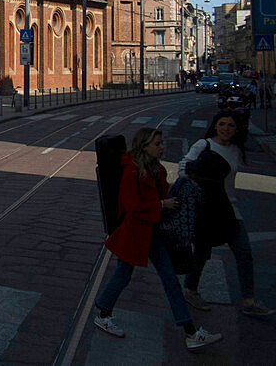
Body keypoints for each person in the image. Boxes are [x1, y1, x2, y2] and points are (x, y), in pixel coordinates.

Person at [93, 127, 222, 351]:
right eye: (157, 144)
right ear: (144, 146)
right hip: (134, 234)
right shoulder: (131, 171)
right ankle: (103, 313)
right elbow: (132, 205)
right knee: (123, 276)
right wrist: (162, 205)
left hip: (152, 232)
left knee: (170, 280)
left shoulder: (157, 169)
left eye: (161, 143)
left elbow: (161, 194)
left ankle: (190, 332)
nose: (162, 147)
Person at [178, 111, 273, 317]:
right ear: (215, 126)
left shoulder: (236, 150)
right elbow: (183, 168)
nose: (226, 129)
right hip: (206, 209)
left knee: (244, 253)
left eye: (230, 125)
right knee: (202, 253)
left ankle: (249, 300)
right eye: (222, 124)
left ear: (236, 129)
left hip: (230, 208)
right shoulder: (204, 146)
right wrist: (198, 188)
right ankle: (190, 290)